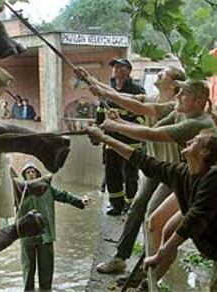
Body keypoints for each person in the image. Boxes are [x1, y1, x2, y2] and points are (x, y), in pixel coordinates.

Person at [86, 127, 217, 292]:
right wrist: (105, 139)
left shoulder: (216, 178)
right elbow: (144, 161)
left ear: (204, 152)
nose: (188, 141)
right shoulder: (182, 173)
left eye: (195, 141)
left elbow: (193, 220)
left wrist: (160, 254)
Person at [76, 66, 186, 275]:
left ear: (174, 85)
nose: (159, 74)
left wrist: (115, 125)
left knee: (154, 217)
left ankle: (150, 266)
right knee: (137, 208)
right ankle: (121, 259)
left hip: (174, 172)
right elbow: (121, 96)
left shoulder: (174, 106)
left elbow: (137, 108)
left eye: (164, 73)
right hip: (155, 168)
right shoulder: (153, 98)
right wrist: (90, 79)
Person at [15, 162, 89, 291]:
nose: (31, 174)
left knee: (46, 268)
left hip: (46, 234)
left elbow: (63, 195)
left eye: (33, 171)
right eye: (28, 172)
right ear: (24, 176)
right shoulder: (19, 191)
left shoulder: (46, 188)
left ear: (38, 174)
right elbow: (4, 204)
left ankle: (46, 289)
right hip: (26, 236)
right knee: (28, 268)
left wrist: (80, 201)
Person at [96, 58, 146, 216]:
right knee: (112, 176)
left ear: (129, 71)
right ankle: (116, 205)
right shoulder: (108, 90)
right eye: (115, 66)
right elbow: (100, 114)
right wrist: (98, 132)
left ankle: (130, 206)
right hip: (111, 142)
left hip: (131, 144)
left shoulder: (137, 91)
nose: (116, 69)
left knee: (130, 176)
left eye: (120, 66)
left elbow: (142, 118)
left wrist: (122, 124)